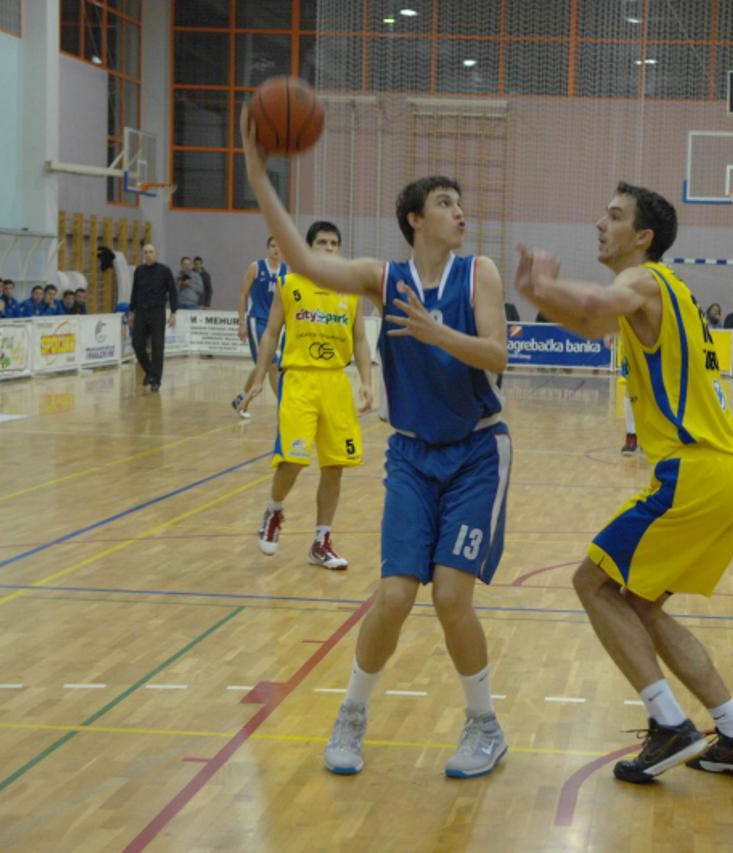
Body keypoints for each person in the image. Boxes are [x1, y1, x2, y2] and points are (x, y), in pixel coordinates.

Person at [243, 109, 512, 779]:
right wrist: (257, 170)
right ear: (414, 219)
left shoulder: (479, 272)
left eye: (460, 202)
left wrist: (434, 333)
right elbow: (302, 259)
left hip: (478, 452)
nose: (459, 211)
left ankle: (484, 725)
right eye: (445, 203)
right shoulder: (381, 278)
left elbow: (497, 353)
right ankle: (351, 715)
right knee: (393, 594)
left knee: (451, 596)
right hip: (413, 455)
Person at [513, 182, 733, 784]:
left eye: (615, 215)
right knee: (641, 602)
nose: (600, 223)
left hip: (697, 471)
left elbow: (594, 304)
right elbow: (585, 320)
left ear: (643, 237)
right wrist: (548, 298)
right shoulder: (665, 292)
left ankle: (669, 724)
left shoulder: (645, 281)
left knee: (592, 582)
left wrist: (540, 286)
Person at [241, 220, 374, 571]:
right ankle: (274, 510)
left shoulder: (351, 291)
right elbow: (270, 333)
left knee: (335, 466)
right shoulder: (289, 284)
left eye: (333, 244)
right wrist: (257, 377)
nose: (328, 249)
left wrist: (366, 380)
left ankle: (322, 541)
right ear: (309, 247)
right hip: (298, 380)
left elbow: (360, 339)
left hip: (335, 384)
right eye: (321, 243)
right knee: (294, 459)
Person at [232, 236, 288, 417]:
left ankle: (241, 399)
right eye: (272, 246)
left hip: (275, 323)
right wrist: (241, 323)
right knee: (272, 364)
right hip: (257, 320)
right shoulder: (256, 267)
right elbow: (242, 294)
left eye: (279, 246)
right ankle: (283, 406)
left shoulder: (286, 271)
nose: (276, 250)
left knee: (261, 366)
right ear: (267, 249)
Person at [129, 243, 178, 392]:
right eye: (146, 252)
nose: (148, 254)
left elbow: (173, 292)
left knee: (157, 347)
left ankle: (156, 380)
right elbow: (135, 291)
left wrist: (173, 313)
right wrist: (132, 311)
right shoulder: (139, 270)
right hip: (141, 313)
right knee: (137, 345)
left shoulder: (164, 271)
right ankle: (150, 371)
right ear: (143, 255)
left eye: (151, 252)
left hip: (157, 312)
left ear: (156, 254)